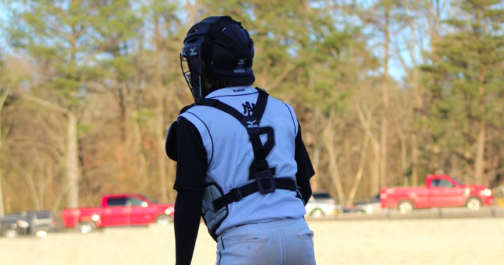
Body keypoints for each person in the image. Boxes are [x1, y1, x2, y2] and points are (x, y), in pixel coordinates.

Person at [165, 16, 316, 265]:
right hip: (298, 236)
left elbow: (188, 202)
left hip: (244, 243)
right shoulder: (284, 110)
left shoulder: (195, 119)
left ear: (205, 64)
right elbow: (304, 187)